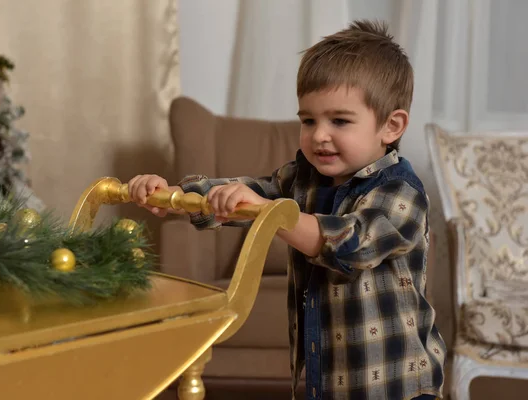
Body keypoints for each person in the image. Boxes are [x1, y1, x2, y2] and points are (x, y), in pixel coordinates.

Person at [128, 19, 446, 400]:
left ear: (391, 126)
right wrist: (176, 194)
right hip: (324, 375)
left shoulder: (400, 192)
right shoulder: (302, 178)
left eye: (339, 121)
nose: (319, 135)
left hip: (394, 384)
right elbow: (246, 192)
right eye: (308, 120)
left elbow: (351, 243)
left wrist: (271, 211)